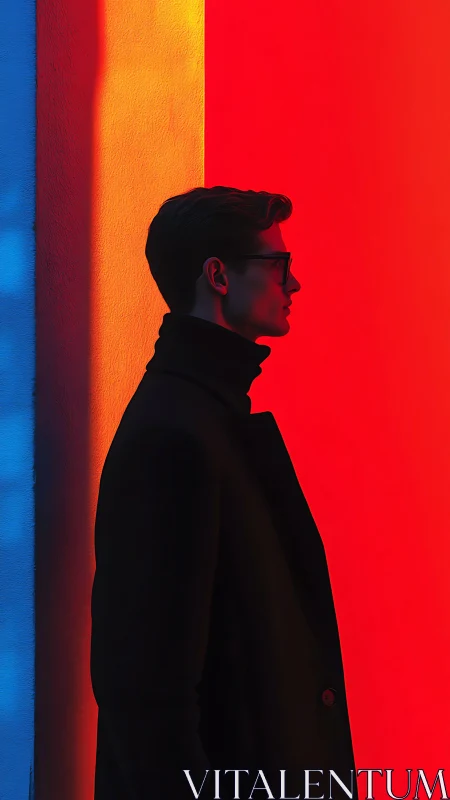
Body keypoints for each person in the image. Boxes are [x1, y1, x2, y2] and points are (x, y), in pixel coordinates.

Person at [90, 186, 358, 800]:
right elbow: (146, 695)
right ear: (217, 275)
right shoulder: (174, 434)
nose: (294, 285)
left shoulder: (204, 417)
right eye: (279, 265)